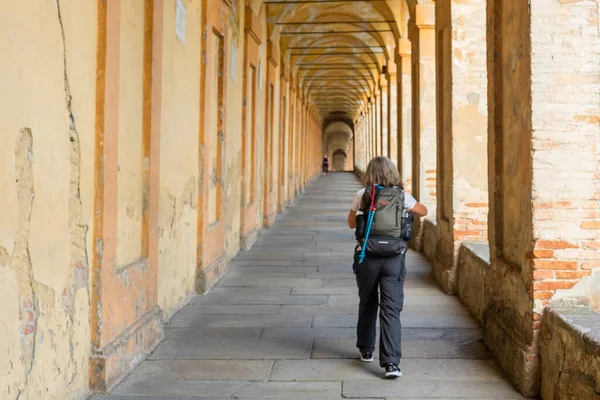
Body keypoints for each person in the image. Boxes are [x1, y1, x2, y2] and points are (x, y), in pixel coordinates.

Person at [347, 156, 427, 379]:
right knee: (391, 308)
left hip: (367, 255)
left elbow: (352, 223)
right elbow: (423, 211)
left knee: (368, 301)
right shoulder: (401, 195)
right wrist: (403, 206)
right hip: (393, 257)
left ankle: (366, 349)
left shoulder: (362, 194)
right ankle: (391, 363)